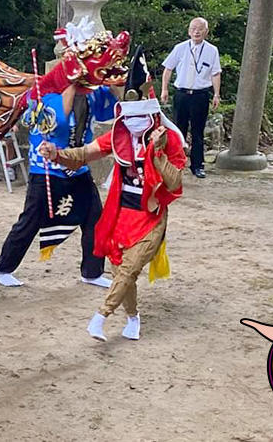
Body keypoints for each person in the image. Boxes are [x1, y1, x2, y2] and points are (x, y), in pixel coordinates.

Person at [39, 46, 186, 342]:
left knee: (130, 267)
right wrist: (56, 154)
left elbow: (174, 182)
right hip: (121, 213)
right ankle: (133, 318)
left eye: (139, 118)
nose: (133, 124)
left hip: (150, 216)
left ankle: (100, 317)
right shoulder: (120, 134)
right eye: (128, 118)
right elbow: (85, 153)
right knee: (124, 272)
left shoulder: (168, 139)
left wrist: (157, 154)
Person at [0, 17, 130, 288]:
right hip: (46, 169)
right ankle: (3, 267)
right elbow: (60, 121)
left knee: (94, 219)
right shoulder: (44, 92)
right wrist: (71, 81)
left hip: (77, 166)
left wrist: (113, 77)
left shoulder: (92, 94)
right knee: (30, 221)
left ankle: (91, 271)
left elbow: (113, 108)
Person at [160, 17, 221, 178]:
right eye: (194, 28)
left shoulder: (212, 50)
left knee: (198, 131)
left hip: (200, 94)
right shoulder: (180, 48)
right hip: (181, 94)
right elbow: (168, 69)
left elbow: (215, 73)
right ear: (189, 31)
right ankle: (176, 163)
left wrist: (216, 94)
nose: (197, 31)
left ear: (206, 32)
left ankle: (197, 165)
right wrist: (164, 89)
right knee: (178, 129)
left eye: (200, 28)